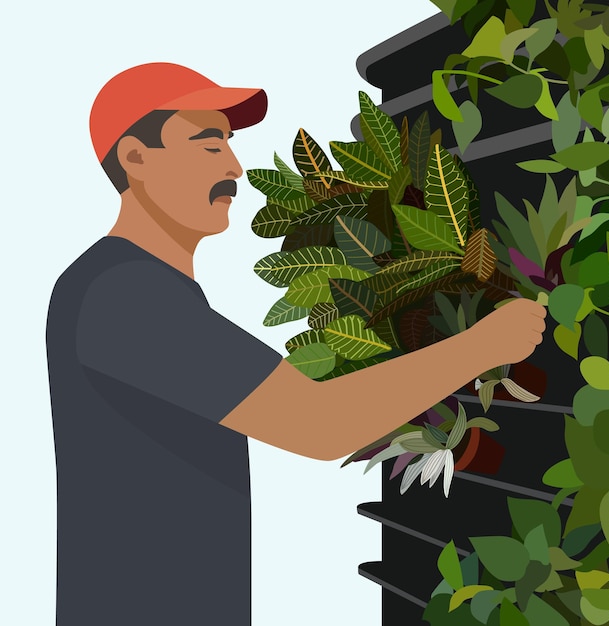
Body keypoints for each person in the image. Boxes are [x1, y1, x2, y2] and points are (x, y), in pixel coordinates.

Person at [45, 62, 547, 626]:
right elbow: (320, 422)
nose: (234, 166)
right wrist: (483, 345)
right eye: (208, 145)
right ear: (135, 158)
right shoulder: (125, 295)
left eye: (229, 145)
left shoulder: (136, 290)